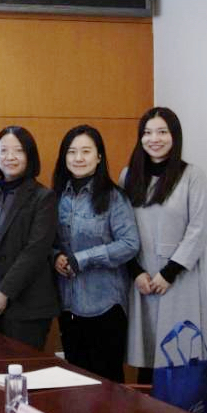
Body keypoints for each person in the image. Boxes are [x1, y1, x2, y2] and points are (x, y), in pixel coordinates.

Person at [121, 107, 207, 384]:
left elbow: (198, 229)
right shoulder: (129, 175)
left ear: (175, 136)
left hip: (178, 277)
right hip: (142, 279)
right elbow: (120, 228)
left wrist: (169, 273)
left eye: (162, 132)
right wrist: (135, 271)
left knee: (178, 352)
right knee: (146, 355)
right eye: (147, 133)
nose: (154, 139)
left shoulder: (192, 175)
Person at [51, 125, 139, 381]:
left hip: (105, 305)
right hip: (68, 304)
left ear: (99, 156)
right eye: (72, 152)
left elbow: (130, 244)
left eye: (86, 151)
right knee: (75, 383)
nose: (78, 158)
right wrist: (55, 256)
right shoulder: (57, 196)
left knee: (107, 384)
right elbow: (49, 240)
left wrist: (83, 259)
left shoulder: (114, 197)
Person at [0, 126, 58, 350]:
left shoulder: (44, 197)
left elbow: (35, 252)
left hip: (27, 307)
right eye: (3, 150)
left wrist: (4, 293)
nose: (9, 157)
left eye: (18, 151)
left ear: (30, 155)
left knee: (23, 368)